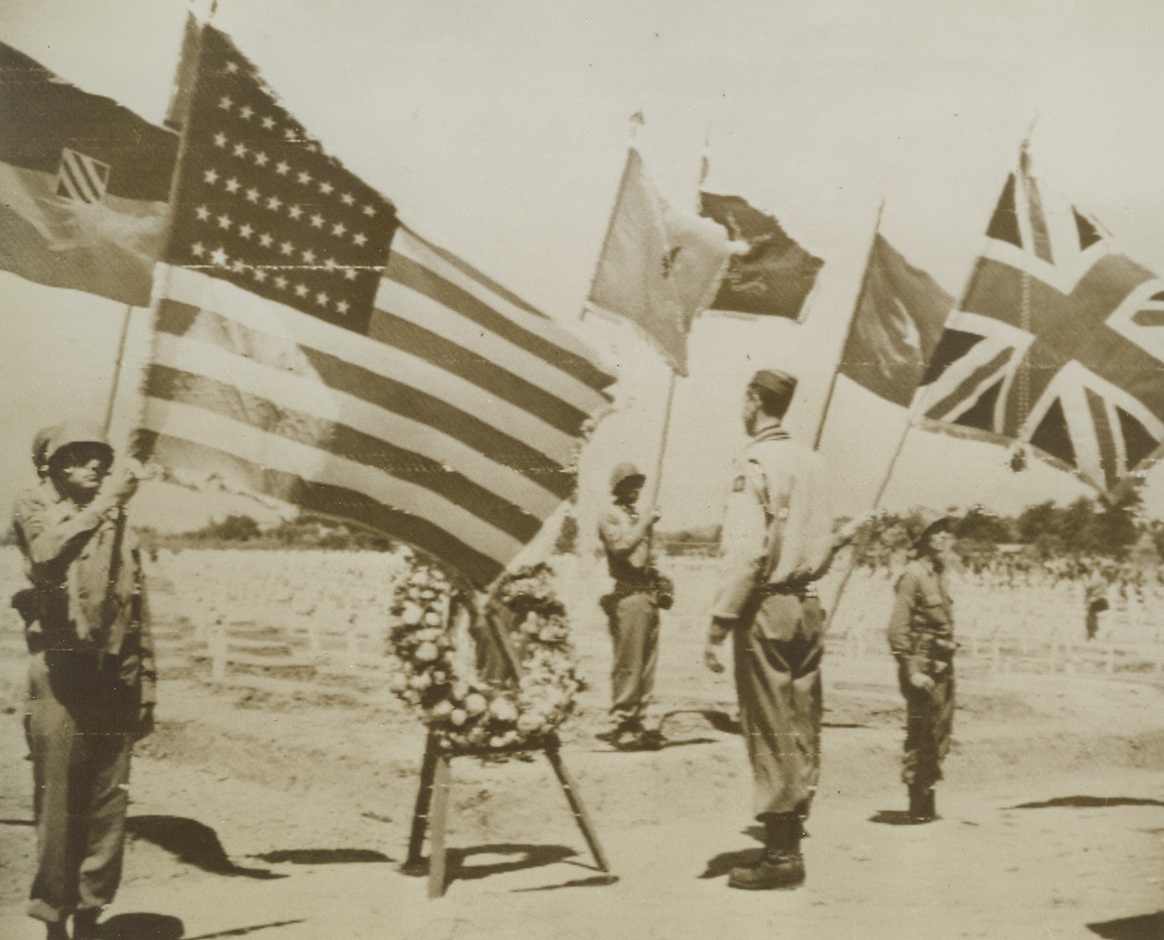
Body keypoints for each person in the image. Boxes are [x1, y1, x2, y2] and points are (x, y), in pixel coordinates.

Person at [703, 370, 857, 890]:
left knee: (768, 724)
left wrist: (721, 621)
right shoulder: (812, 462)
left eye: (744, 399)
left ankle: (781, 855)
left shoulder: (755, 462)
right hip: (808, 604)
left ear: (753, 401)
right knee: (802, 720)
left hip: (767, 606)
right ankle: (795, 824)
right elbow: (824, 539)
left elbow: (746, 552)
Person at [11, 420, 155, 940]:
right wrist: (103, 508)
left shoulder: (119, 524)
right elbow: (49, 558)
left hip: (113, 679)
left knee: (107, 804)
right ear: (51, 467)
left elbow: (135, 610)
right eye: (78, 456)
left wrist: (147, 690)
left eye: (100, 456)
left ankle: (92, 917)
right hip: (59, 677)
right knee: (58, 807)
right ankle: (54, 921)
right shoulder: (35, 509)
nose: (94, 465)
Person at [886, 509, 957, 824]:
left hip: (941, 663)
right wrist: (911, 670)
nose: (943, 536)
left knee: (938, 729)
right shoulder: (913, 575)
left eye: (944, 530)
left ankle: (927, 801)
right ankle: (918, 804)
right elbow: (897, 628)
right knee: (921, 731)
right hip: (922, 665)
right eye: (935, 531)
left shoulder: (937, 572)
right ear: (921, 538)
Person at [596, 462, 669, 751]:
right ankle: (624, 723)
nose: (637, 488)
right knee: (629, 663)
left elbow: (645, 560)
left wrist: (661, 580)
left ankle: (637, 720)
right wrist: (646, 524)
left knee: (647, 664)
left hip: (647, 595)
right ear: (618, 486)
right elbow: (622, 549)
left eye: (640, 483)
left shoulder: (635, 515)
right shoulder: (610, 516)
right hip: (628, 597)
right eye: (631, 483)